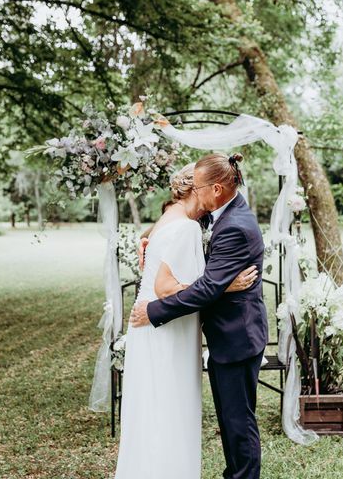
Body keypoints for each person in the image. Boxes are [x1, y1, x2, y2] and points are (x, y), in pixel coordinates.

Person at [114, 162, 258, 479]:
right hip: (165, 328)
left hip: (172, 330)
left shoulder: (179, 218)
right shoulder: (188, 225)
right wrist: (226, 284)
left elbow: (184, 273)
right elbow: (167, 287)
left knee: (158, 411)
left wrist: (147, 243)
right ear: (198, 190)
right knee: (168, 409)